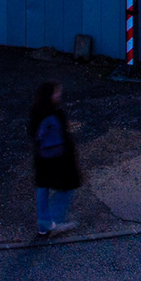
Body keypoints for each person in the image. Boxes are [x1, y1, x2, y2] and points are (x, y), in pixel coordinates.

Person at [28, 81, 81, 238]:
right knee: (67, 187)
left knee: (42, 188)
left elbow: (33, 135)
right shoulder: (55, 114)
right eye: (56, 93)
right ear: (50, 95)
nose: (59, 95)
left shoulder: (36, 111)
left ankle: (43, 225)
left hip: (41, 159)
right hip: (58, 159)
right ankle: (56, 221)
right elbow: (63, 138)